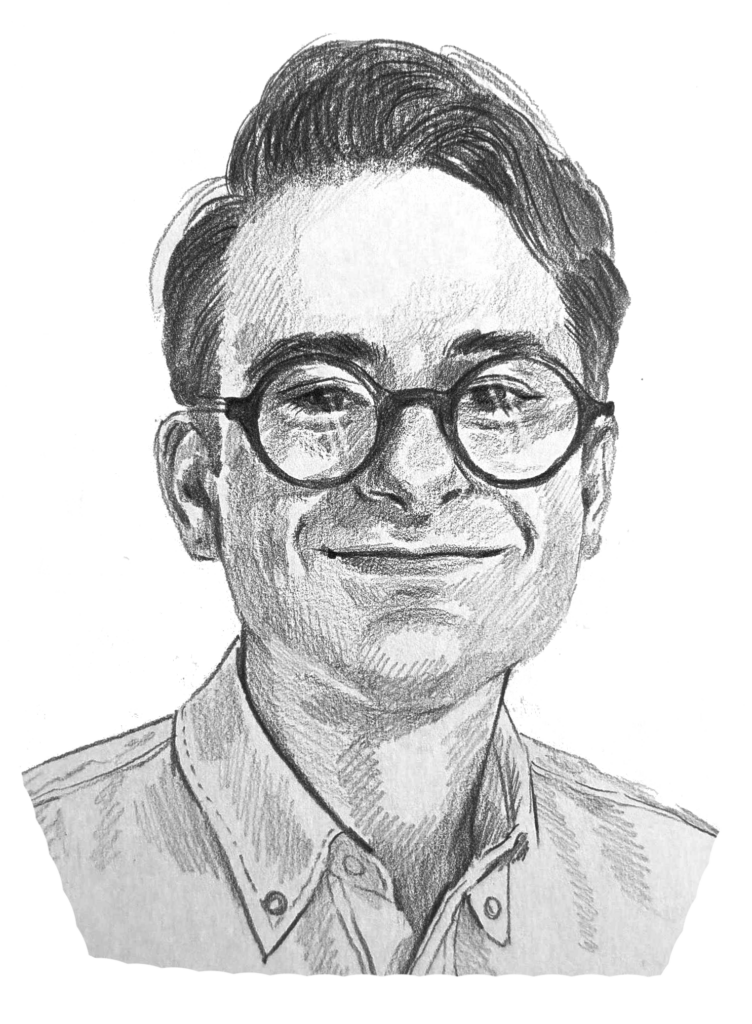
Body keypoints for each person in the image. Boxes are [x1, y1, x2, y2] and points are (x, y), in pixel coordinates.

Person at [21, 38, 717, 977]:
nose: (416, 476)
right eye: (321, 394)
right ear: (196, 486)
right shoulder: (63, 860)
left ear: (593, 484)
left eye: (499, 394)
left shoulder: (675, 891)